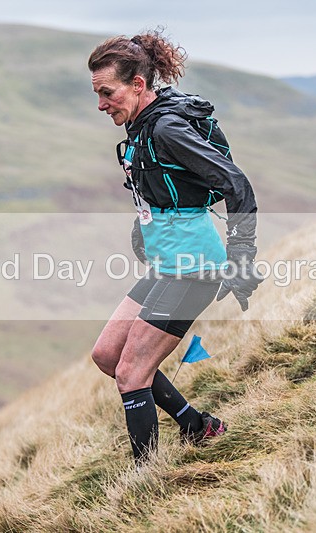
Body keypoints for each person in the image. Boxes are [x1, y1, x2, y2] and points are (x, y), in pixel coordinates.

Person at [88, 30, 263, 466]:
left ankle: (144, 479)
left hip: (194, 266)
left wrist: (241, 258)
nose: (101, 104)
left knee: (131, 374)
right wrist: (142, 230)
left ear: (138, 85)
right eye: (97, 94)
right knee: (108, 355)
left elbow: (236, 185)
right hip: (168, 263)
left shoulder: (165, 127)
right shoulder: (141, 124)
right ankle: (195, 425)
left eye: (107, 93)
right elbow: (163, 191)